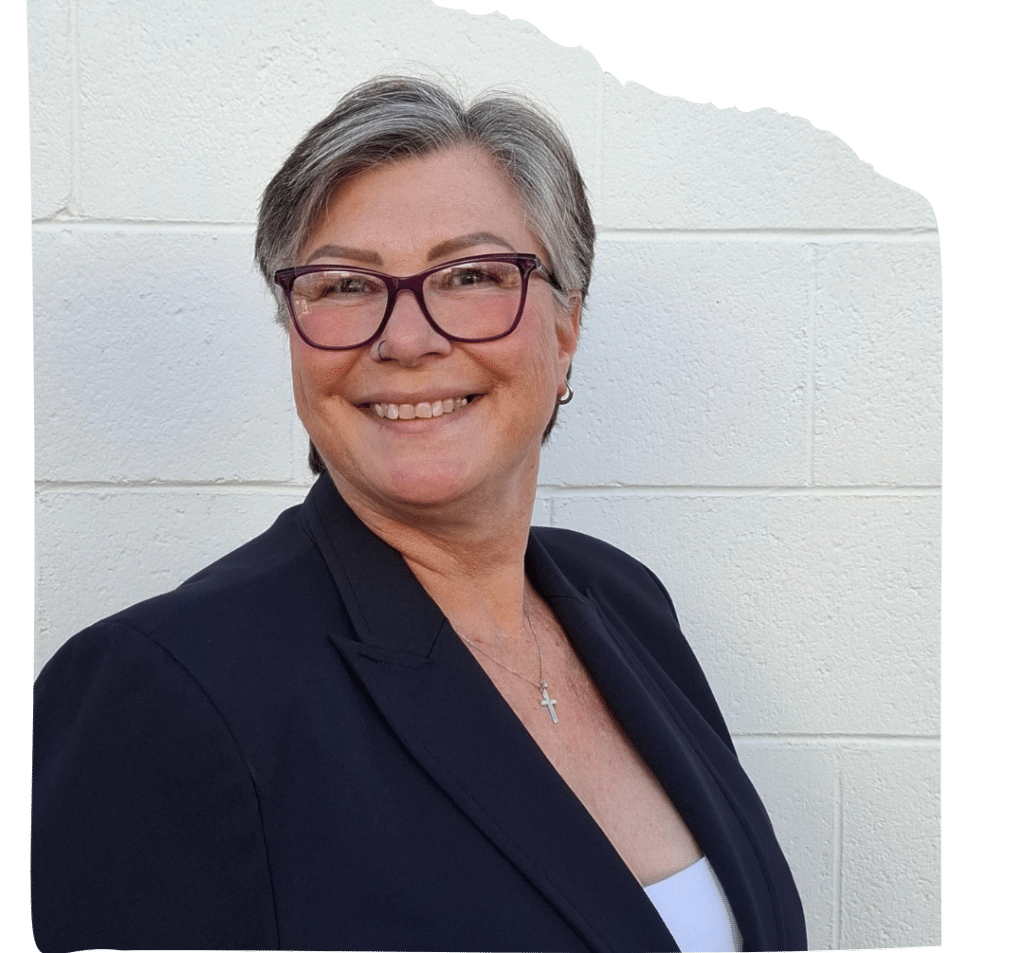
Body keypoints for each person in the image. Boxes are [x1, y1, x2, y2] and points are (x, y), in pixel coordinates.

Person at [31, 76, 806, 953]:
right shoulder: (165, 691)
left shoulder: (624, 604)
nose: (406, 338)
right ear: (293, 325)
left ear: (566, 327)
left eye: (472, 274)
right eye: (346, 285)